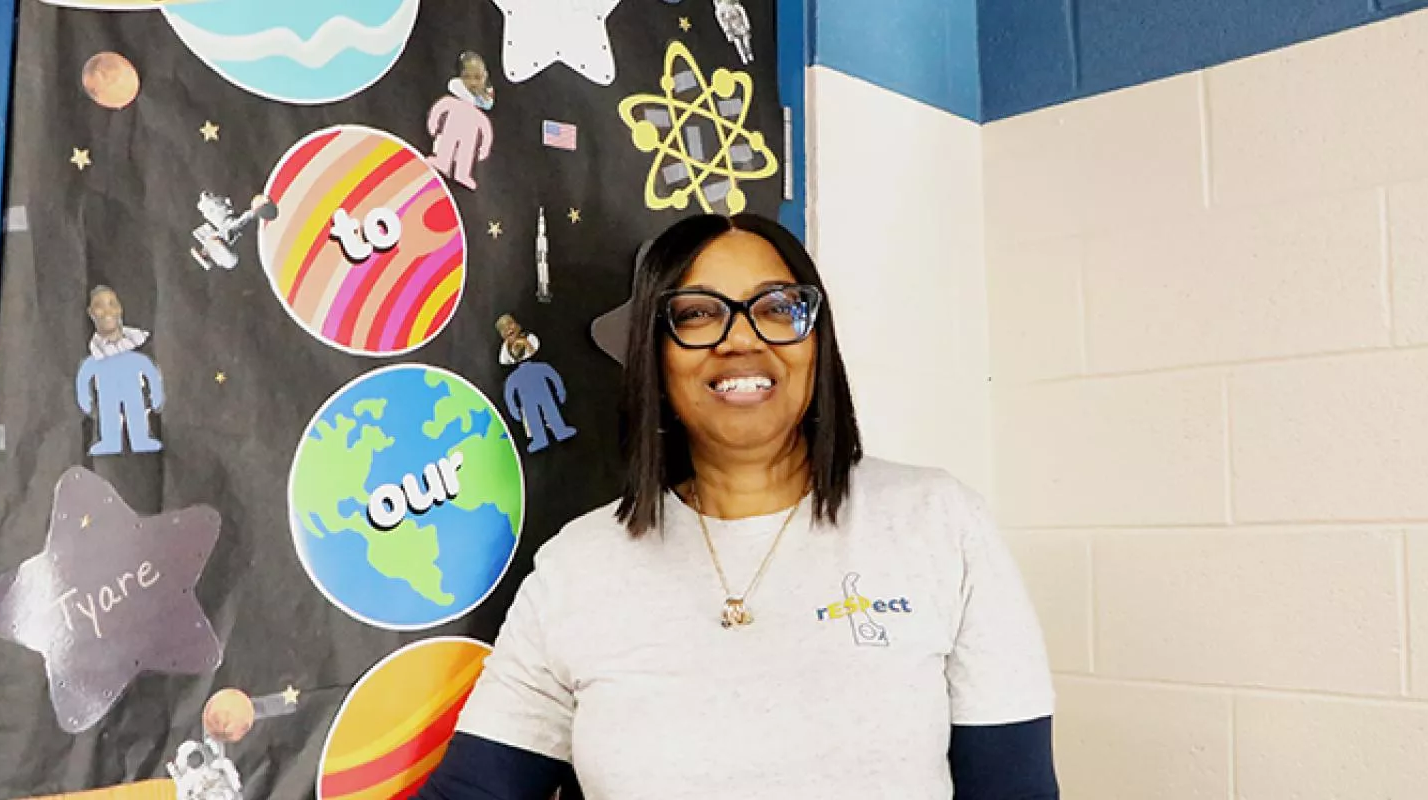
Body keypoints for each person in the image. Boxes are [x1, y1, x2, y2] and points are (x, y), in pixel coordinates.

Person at [416, 213, 1058, 799]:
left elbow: (1014, 791)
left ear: (816, 342)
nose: (741, 340)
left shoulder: (940, 524)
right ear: (653, 359)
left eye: (778, 307)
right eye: (696, 314)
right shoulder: (577, 568)